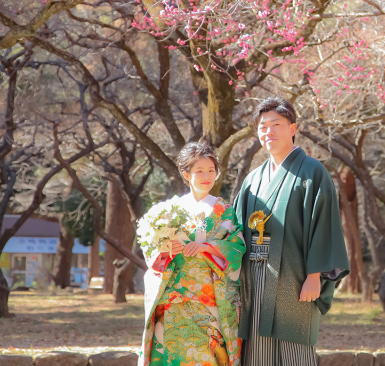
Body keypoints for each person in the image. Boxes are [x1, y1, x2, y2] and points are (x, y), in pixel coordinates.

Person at [233, 97, 350, 366]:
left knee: (293, 347)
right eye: (263, 127)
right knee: (257, 349)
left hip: (295, 276)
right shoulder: (253, 179)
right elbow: (236, 229)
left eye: (276, 125)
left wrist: (314, 276)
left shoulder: (312, 172)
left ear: (293, 128)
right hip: (254, 275)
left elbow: (324, 225)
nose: (269, 132)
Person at [140, 140, 246, 366]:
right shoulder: (168, 211)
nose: (206, 176)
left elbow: (237, 246)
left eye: (211, 170)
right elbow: (151, 248)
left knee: (208, 356)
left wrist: (207, 247)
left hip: (211, 300)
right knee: (172, 355)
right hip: (174, 298)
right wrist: (167, 249)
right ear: (186, 174)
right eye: (199, 171)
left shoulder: (224, 211)